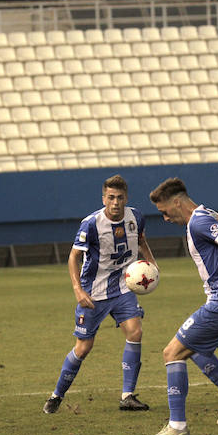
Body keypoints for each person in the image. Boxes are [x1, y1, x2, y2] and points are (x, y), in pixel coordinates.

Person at [143, 178, 218, 435]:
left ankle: (177, 426)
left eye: (165, 211)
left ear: (177, 202)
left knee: (172, 352)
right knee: (194, 347)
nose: (166, 218)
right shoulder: (208, 215)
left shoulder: (200, 221)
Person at [43, 174, 157, 414]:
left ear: (127, 198)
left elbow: (141, 240)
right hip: (93, 293)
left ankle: (127, 395)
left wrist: (151, 264)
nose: (116, 202)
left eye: (120, 198)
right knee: (83, 348)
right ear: (104, 198)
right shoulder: (91, 224)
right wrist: (78, 289)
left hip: (124, 288)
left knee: (135, 332)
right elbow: (74, 256)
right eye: (111, 197)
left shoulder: (136, 217)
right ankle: (57, 395)